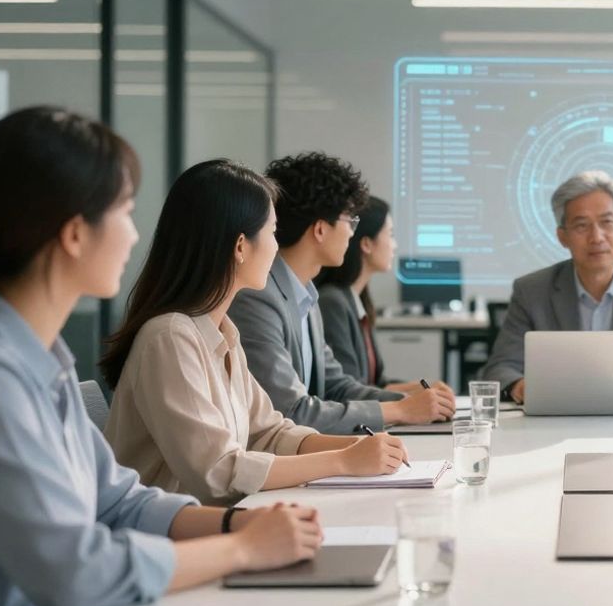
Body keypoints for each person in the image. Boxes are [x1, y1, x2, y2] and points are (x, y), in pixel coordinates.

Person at [0, 108, 321, 606]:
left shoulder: (41, 360)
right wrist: (242, 550)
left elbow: (120, 502)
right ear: (75, 234)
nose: (133, 235)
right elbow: (74, 571)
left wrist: (234, 527)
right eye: (125, 211)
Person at [100, 160, 409, 507]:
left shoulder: (223, 333)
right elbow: (218, 473)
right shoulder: (169, 337)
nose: (278, 248)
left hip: (218, 522)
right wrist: (342, 461)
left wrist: (353, 447)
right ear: (241, 246)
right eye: (272, 233)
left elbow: (269, 432)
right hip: (170, 541)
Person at [228, 152, 454, 434]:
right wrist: (401, 410)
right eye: (350, 221)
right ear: (320, 229)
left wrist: (416, 404)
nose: (352, 233)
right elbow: (289, 411)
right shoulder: (258, 297)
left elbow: (336, 386)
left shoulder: (306, 295)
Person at [480, 170, 613, 403]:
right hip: (556, 418)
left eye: (607, 222)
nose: (597, 237)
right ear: (562, 236)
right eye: (582, 226)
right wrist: (519, 386)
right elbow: (501, 367)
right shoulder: (532, 291)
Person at [315, 195, 450, 394]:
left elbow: (375, 383)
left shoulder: (356, 301)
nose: (394, 245)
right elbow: (349, 391)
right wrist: (411, 402)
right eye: (391, 234)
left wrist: (421, 390)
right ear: (367, 244)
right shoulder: (332, 302)